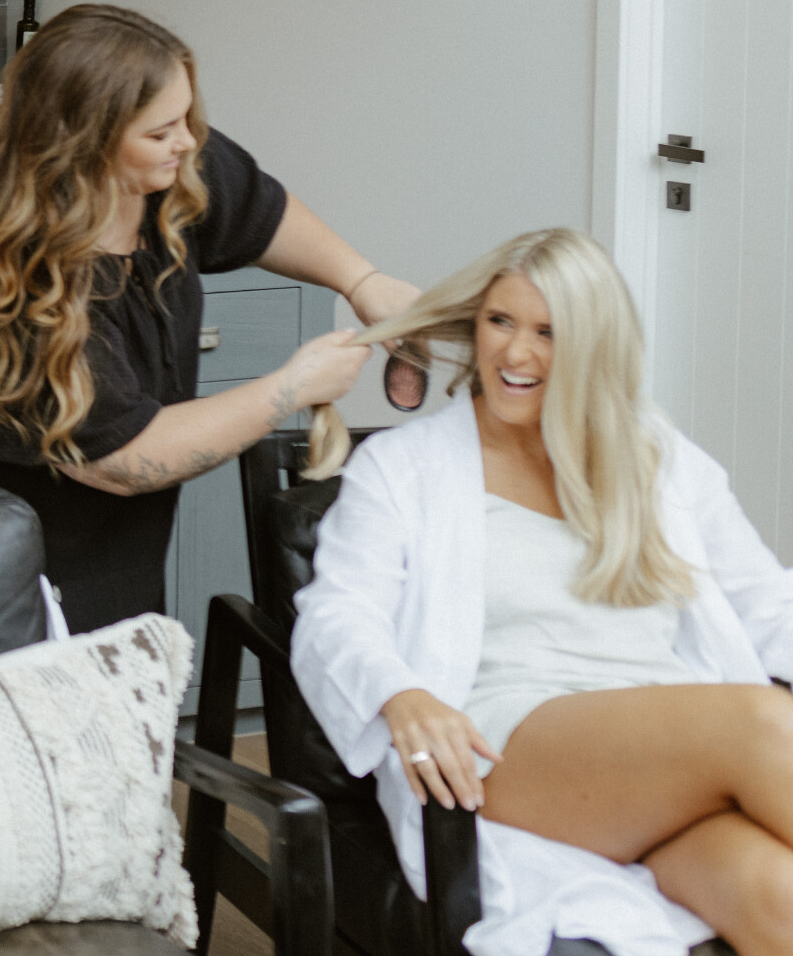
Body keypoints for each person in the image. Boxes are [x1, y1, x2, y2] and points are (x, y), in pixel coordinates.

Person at [0, 3, 418, 632]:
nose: (187, 143)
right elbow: (124, 461)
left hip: (65, 535)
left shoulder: (160, 163)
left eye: (185, 119)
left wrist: (361, 280)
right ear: (83, 145)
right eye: (161, 132)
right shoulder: (12, 281)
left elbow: (258, 210)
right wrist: (292, 388)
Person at [294, 229, 793, 956]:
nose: (515, 354)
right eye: (500, 321)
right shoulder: (404, 467)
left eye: (547, 332)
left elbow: (765, 597)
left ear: (594, 346)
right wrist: (400, 694)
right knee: (763, 721)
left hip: (668, 762)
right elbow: (337, 613)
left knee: (778, 896)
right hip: (509, 744)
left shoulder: (656, 455)